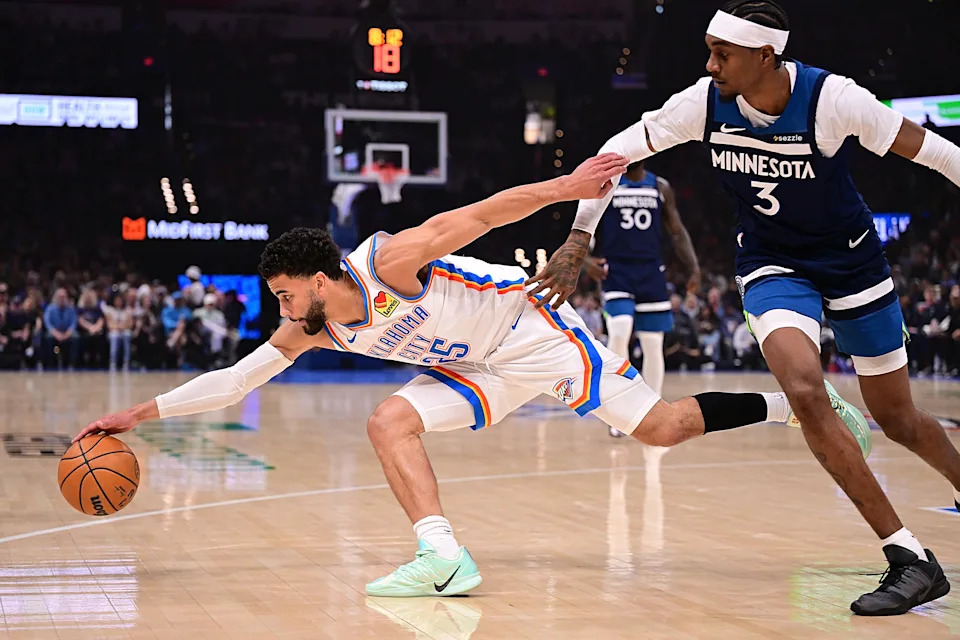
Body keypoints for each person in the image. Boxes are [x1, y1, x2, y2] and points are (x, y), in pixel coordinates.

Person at [75, 154, 865, 599]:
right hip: (475, 369)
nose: (281, 310)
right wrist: (135, 416)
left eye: (286, 295)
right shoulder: (312, 327)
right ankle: (443, 554)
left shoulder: (388, 261)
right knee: (389, 419)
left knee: (659, 427)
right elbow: (235, 380)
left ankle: (797, 403)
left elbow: (483, 213)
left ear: (319, 276)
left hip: (536, 334)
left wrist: (565, 191)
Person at [529, 0, 960, 616]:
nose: (709, 64)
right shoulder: (703, 103)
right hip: (772, 265)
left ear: (767, 56)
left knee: (897, 418)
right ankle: (909, 558)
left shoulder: (835, 100)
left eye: (722, 53)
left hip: (855, 265)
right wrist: (578, 238)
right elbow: (613, 156)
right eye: (708, 49)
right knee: (807, 389)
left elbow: (937, 152)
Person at [583, 160, 700, 437]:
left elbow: (677, 231)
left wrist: (693, 267)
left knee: (652, 343)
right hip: (616, 270)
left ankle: (655, 413)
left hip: (651, 271)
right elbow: (584, 225)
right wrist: (586, 260)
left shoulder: (659, 187)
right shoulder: (608, 186)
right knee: (620, 330)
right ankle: (617, 410)